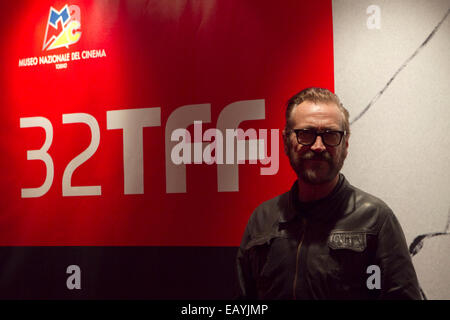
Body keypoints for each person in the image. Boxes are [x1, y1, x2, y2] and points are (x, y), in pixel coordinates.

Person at [236, 87, 421, 299]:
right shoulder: (262, 219)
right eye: (305, 133)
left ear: (346, 145)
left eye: (330, 135)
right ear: (286, 142)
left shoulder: (376, 219)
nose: (317, 146)